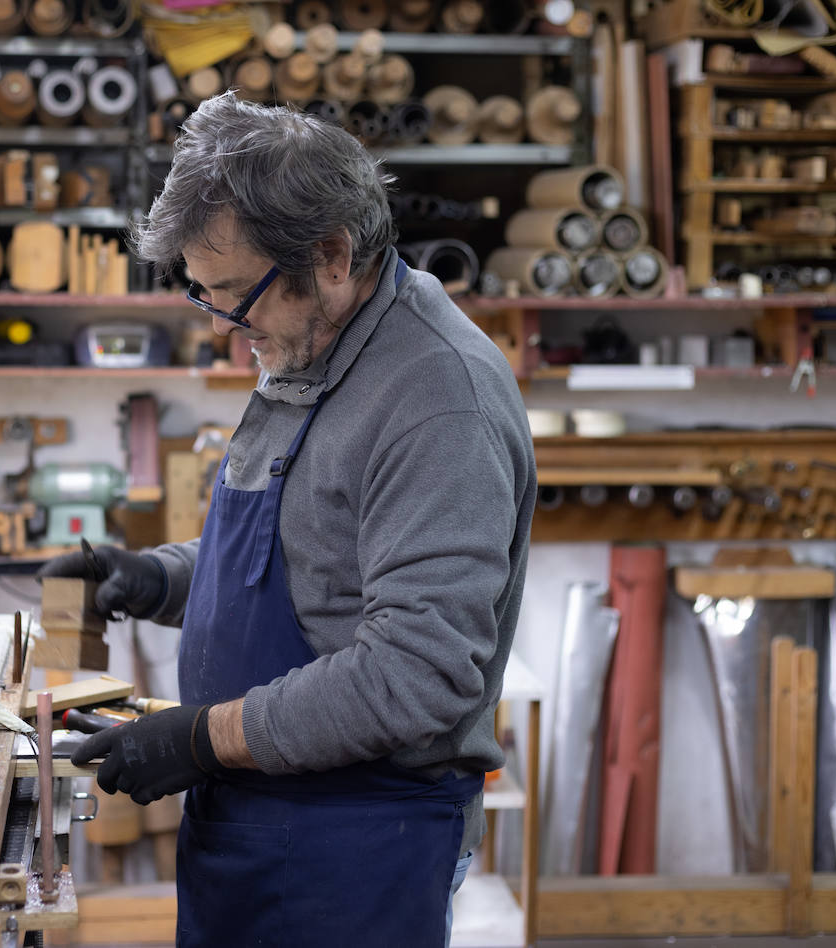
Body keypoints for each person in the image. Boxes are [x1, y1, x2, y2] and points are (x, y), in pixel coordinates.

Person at [39, 92, 536, 947]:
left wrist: (202, 737)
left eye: (237, 298)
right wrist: (161, 577)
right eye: (207, 299)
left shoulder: (435, 399)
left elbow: (416, 675)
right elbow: (301, 551)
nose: (232, 331)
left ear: (333, 254)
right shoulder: (315, 342)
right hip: (259, 819)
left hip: (354, 848)